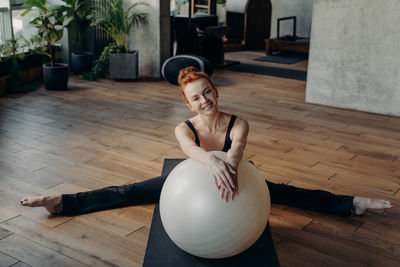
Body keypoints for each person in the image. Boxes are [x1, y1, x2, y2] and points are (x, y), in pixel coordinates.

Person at [20, 67, 393, 216]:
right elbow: (191, 151)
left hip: (234, 173)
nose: (204, 100)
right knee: (132, 191)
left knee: (281, 191)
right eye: (196, 97)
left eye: (208, 92)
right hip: (193, 177)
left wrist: (223, 162)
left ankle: (351, 203)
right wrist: (210, 160)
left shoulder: (240, 123)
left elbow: (235, 155)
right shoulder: (184, 128)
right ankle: (62, 201)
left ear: (216, 91)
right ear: (188, 103)